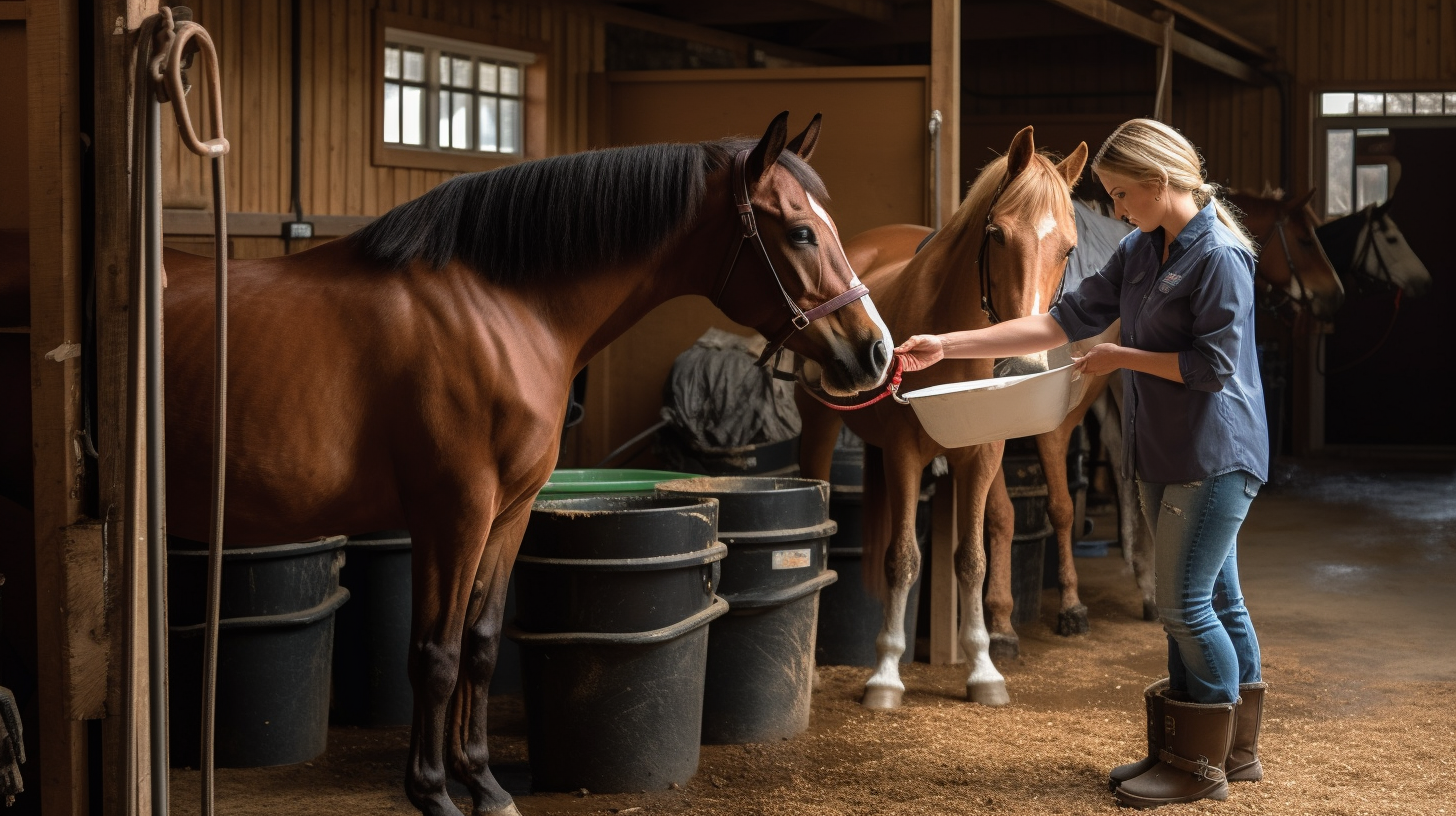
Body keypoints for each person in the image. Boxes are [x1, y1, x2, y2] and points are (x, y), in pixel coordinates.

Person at [895, 119, 1268, 809]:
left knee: (1187, 607)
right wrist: (944, 345)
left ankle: (1199, 765)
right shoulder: (1139, 250)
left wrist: (1118, 356)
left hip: (1214, 452)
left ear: (1159, 182)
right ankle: (1215, 753)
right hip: (1167, 448)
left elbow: (1212, 368)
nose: (1117, 209)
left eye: (1123, 194)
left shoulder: (1218, 256)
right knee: (1219, 601)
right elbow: (1059, 322)